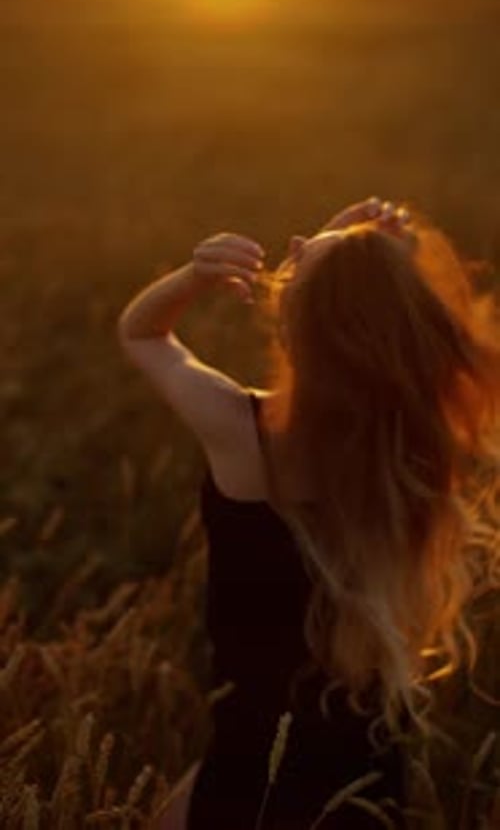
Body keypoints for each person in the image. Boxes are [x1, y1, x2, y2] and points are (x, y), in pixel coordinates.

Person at [117, 198, 500, 830]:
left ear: (297, 326)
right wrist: (346, 261)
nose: (295, 240)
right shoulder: (411, 447)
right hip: (363, 773)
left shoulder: (243, 432)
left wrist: (195, 276)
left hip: (250, 764)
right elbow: (373, 329)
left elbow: (141, 333)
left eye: (302, 260)